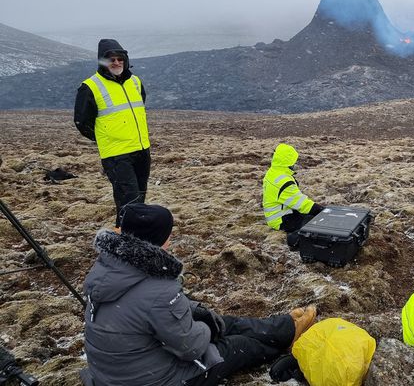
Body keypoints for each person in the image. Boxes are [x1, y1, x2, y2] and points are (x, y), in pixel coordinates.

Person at [81, 203, 317, 386]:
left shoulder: (107, 269)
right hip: (160, 379)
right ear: (158, 240)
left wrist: (198, 313)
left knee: (221, 320)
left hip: (114, 374)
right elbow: (190, 347)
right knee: (238, 345)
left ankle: (285, 326)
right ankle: (288, 344)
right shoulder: (158, 289)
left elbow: (141, 310)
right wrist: (208, 329)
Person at [74, 39, 151, 228]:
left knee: (138, 199)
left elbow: (140, 106)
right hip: (116, 155)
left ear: (125, 59)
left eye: (119, 59)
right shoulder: (90, 86)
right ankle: (126, 244)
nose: (116, 63)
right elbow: (82, 122)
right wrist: (105, 137)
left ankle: (131, 238)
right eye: (111, 59)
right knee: (129, 201)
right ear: (102, 61)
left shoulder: (135, 81)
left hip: (141, 149)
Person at [262, 143, 324, 246]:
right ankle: (294, 239)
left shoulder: (273, 172)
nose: (295, 164)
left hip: (276, 214)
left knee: (309, 216)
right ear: (288, 162)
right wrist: (322, 210)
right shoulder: (283, 181)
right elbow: (302, 205)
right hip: (281, 219)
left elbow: (293, 199)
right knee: (313, 221)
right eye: (293, 161)